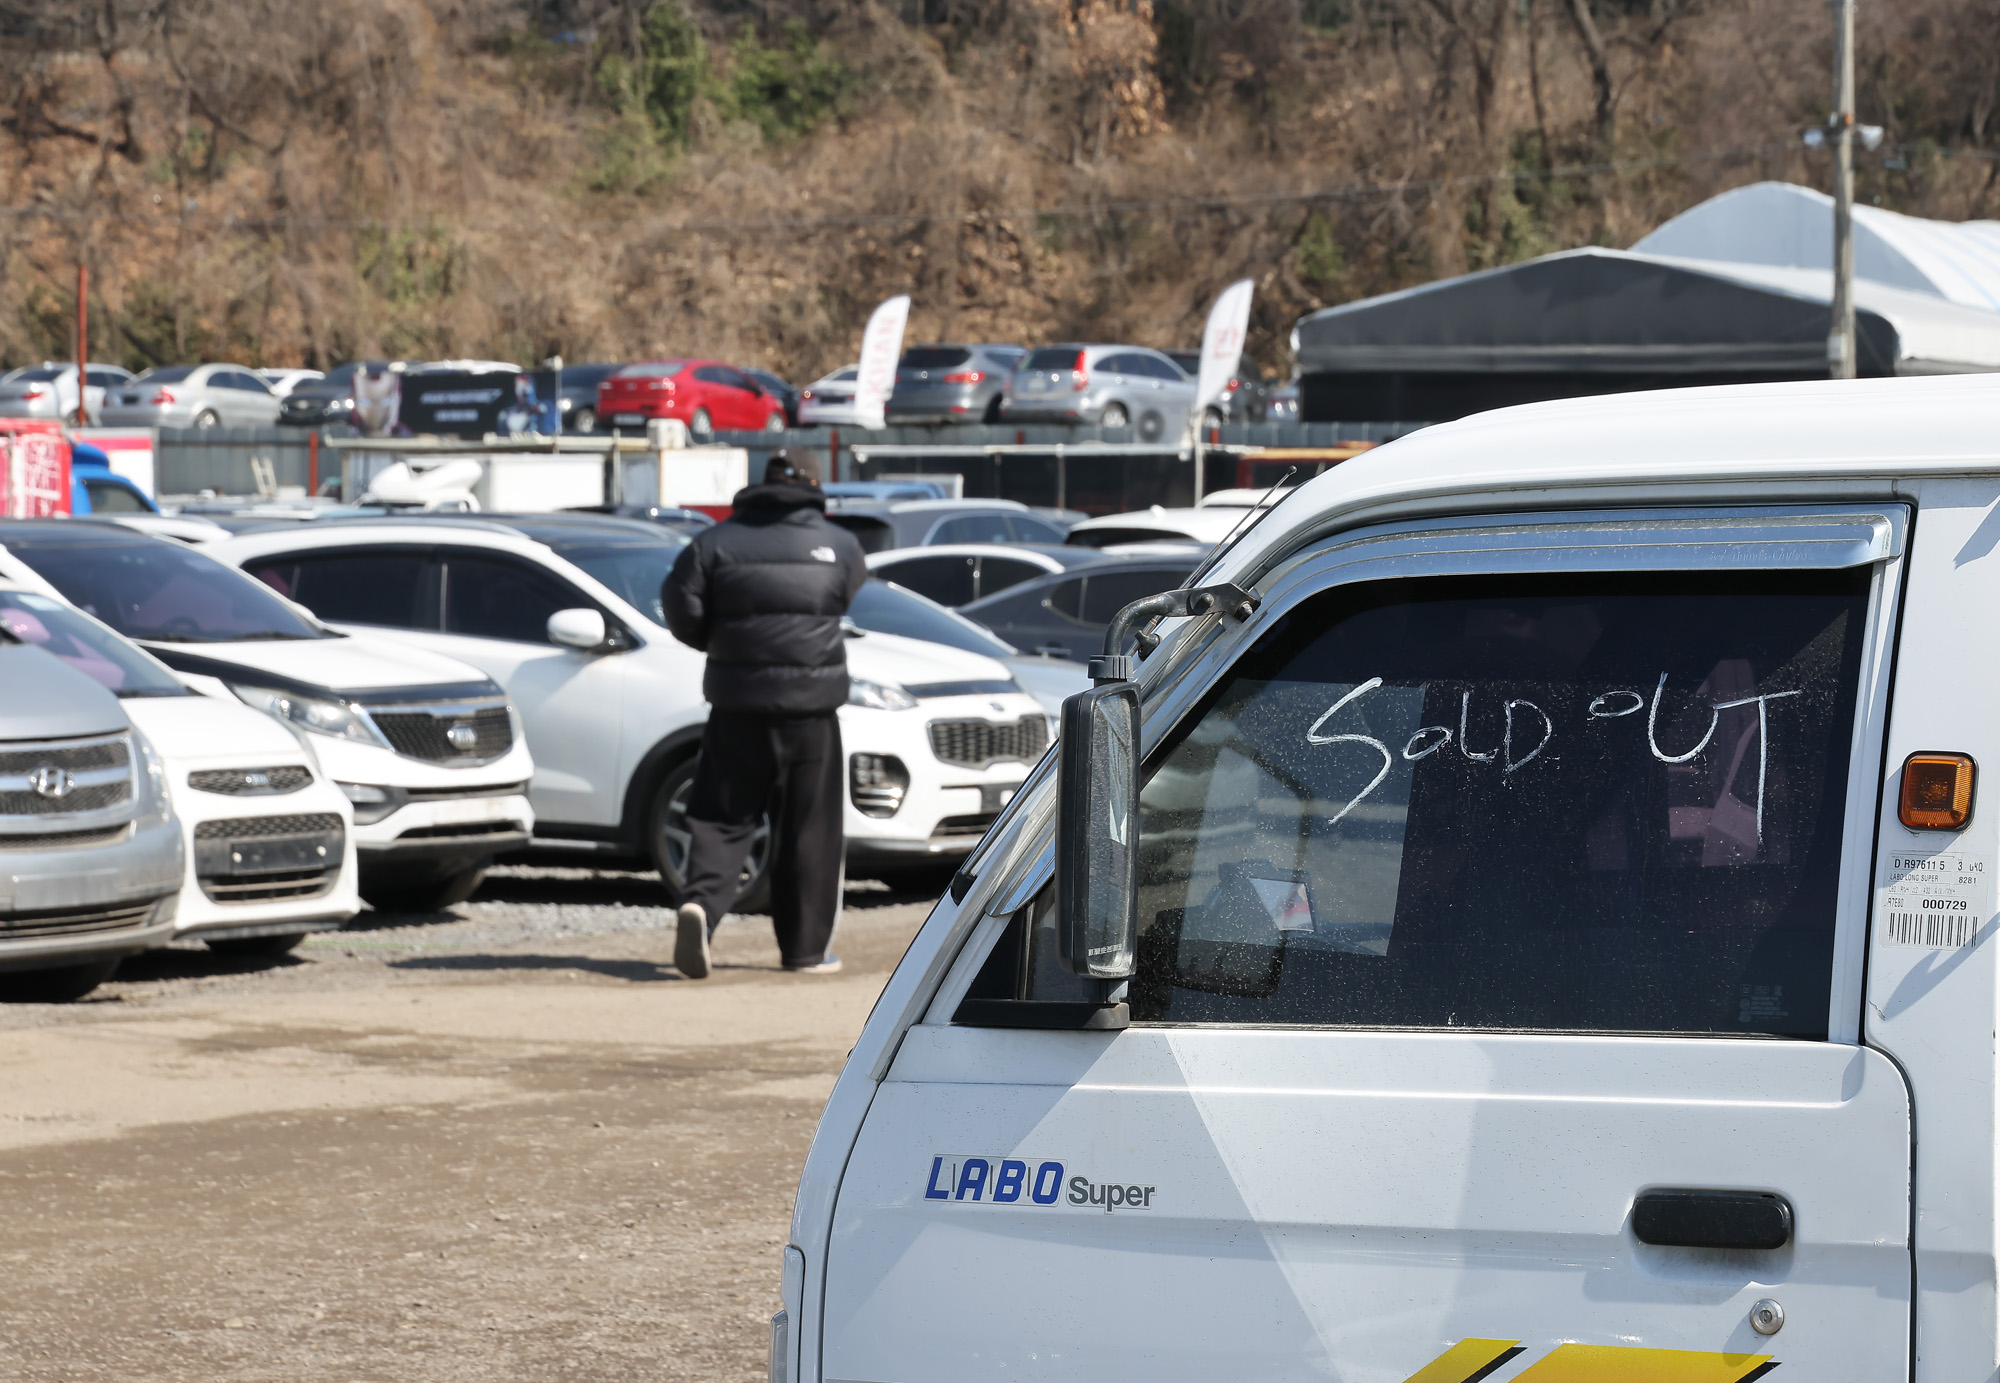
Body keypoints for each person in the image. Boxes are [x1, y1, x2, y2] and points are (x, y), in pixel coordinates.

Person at [660, 452, 867, 978]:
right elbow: (844, 597)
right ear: (815, 485)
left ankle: (701, 910)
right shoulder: (839, 545)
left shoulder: (713, 542)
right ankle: (804, 951)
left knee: (722, 818)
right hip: (811, 711)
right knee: (809, 830)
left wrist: (722, 642)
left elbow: (679, 605)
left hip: (736, 707)